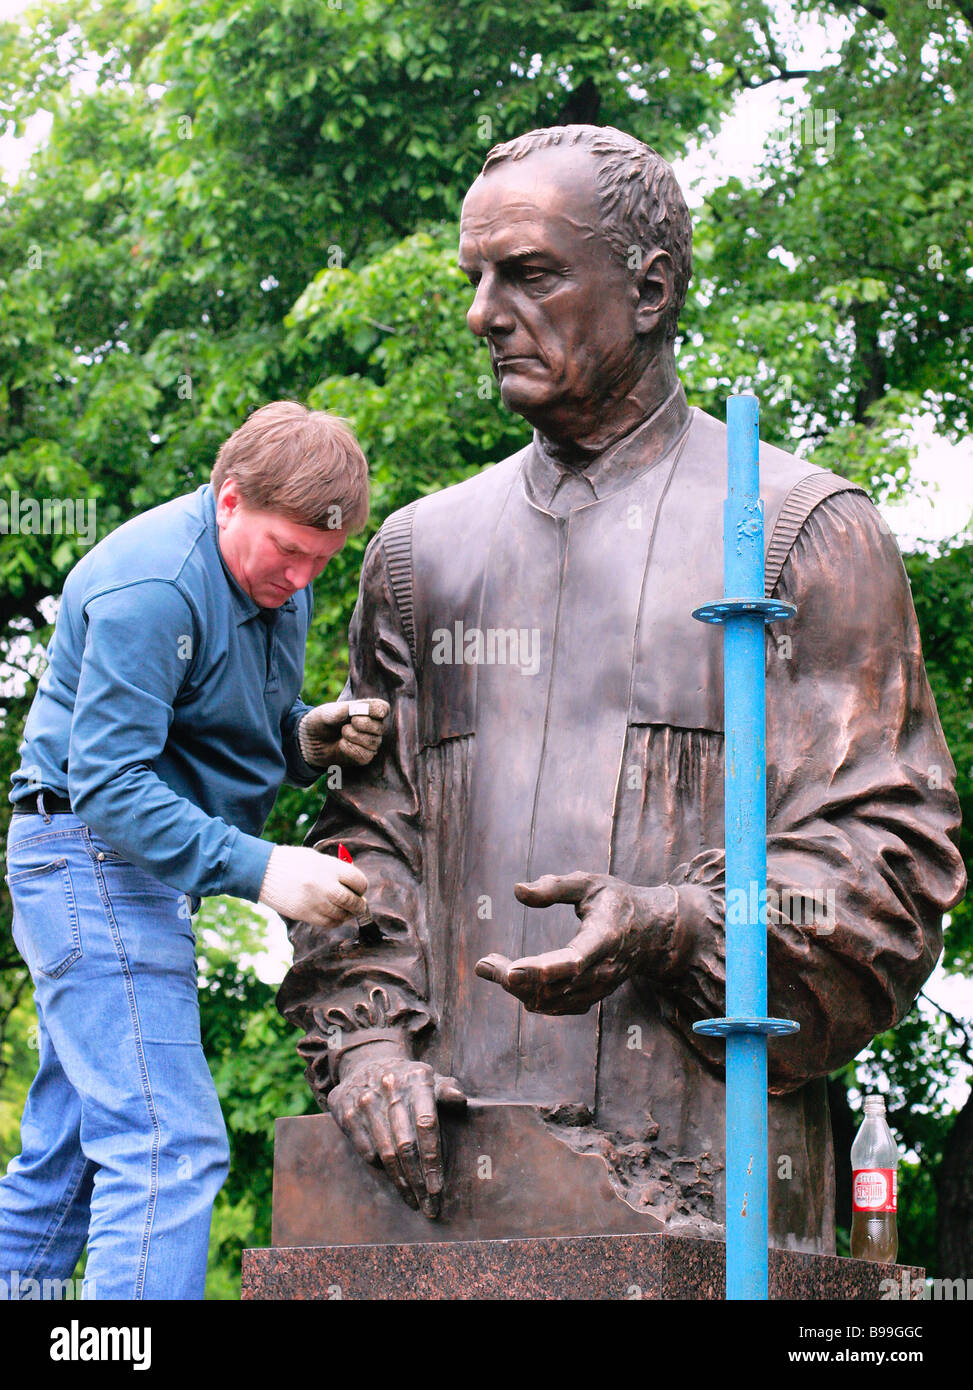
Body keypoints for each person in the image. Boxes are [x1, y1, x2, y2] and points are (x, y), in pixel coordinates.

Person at [277, 127, 966, 1249]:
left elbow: (888, 864)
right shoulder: (418, 555)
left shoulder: (801, 535)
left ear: (648, 290)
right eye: (476, 277)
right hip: (429, 1189)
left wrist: (675, 922)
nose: (483, 313)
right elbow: (364, 843)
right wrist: (365, 1043)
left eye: (530, 273)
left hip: (704, 1179)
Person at [1, 400, 388, 1299]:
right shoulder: (153, 589)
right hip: (87, 855)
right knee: (166, 1144)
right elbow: (110, 785)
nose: (298, 579)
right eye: (285, 551)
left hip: (131, 868)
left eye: (319, 562)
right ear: (227, 501)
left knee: (62, 1163)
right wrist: (264, 870)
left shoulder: (277, 581)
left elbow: (219, 731)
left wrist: (306, 740)